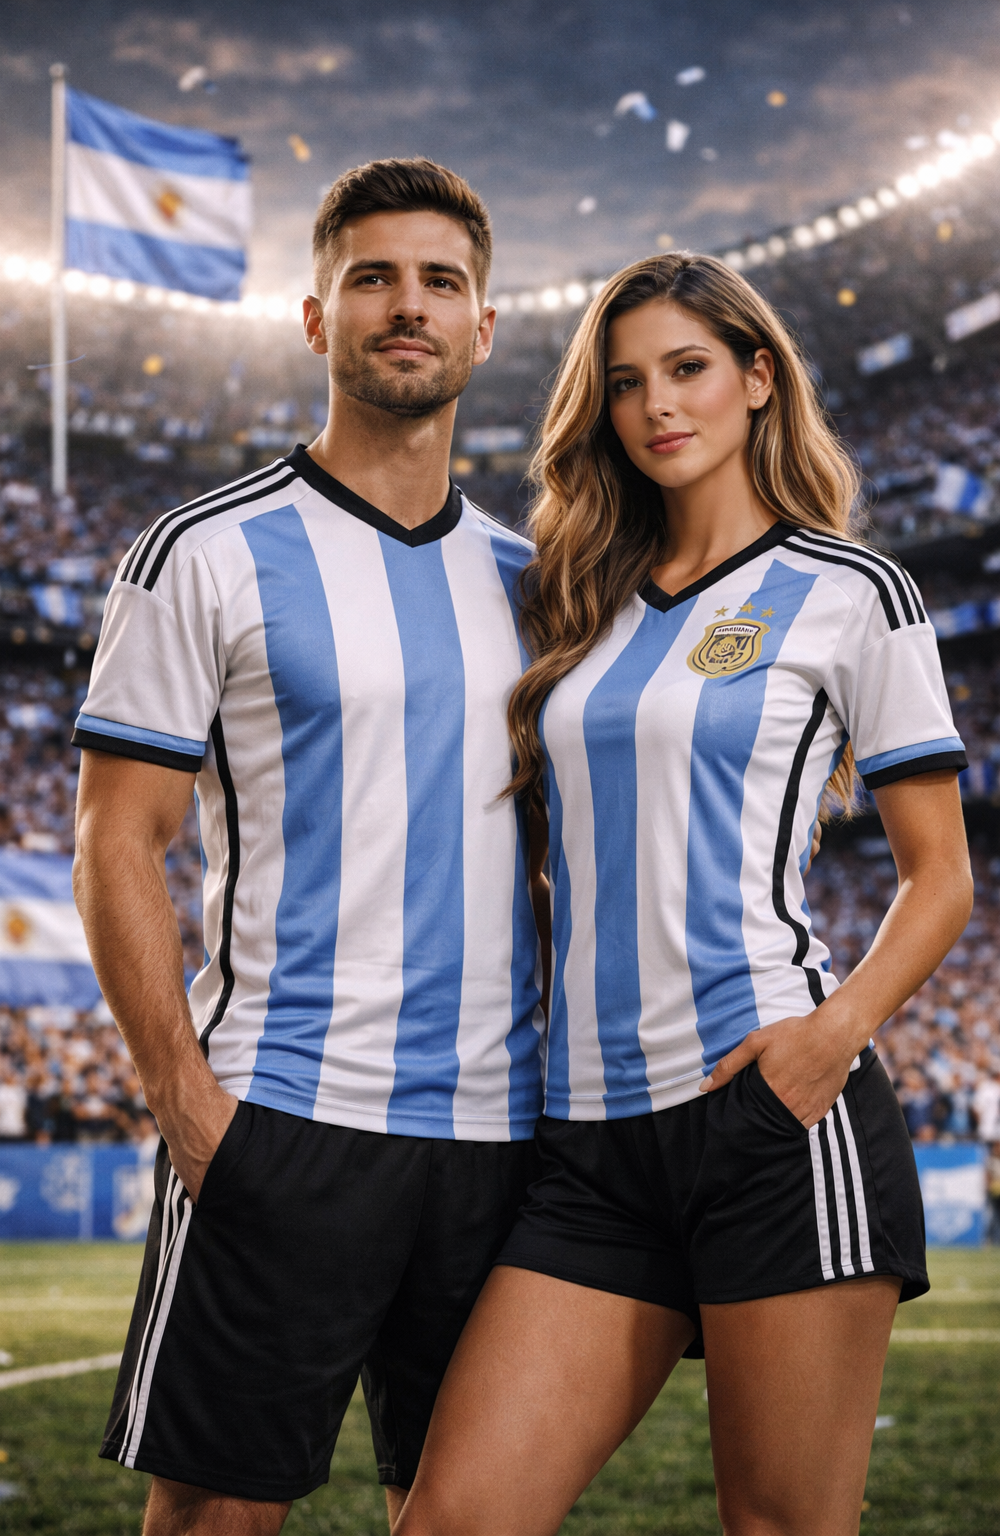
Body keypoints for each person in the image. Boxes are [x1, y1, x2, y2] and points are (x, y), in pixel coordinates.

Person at [395, 254, 974, 1536]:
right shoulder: (578, 602)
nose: (657, 404)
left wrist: (828, 1042)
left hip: (766, 1116)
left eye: (688, 368)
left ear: (758, 379)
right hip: (585, 1145)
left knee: (778, 1525)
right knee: (453, 1519)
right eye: (624, 383)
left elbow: (941, 879)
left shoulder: (847, 593)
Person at [72, 158, 547, 1536]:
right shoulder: (202, 552)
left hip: (499, 1138)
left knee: (469, 1512)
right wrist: (185, 1100)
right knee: (220, 1515)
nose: (409, 307)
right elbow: (118, 839)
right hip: (282, 1117)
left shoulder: (539, 578)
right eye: (373, 278)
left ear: (484, 327)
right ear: (314, 316)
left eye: (441, 281)